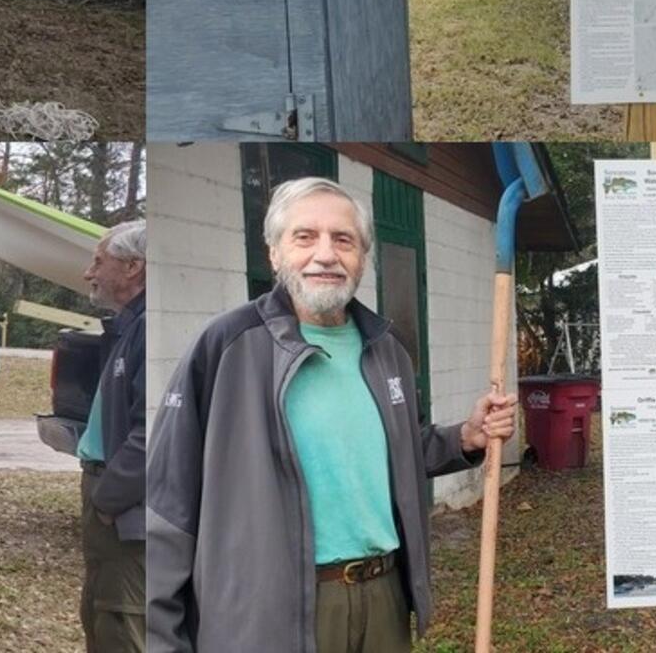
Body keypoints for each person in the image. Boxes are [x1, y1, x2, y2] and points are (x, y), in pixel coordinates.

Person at [146, 176, 519, 653]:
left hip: (382, 597)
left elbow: (396, 451)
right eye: (305, 237)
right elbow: (168, 505)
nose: (326, 254)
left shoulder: (387, 350)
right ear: (274, 253)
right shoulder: (225, 347)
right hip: (268, 613)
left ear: (363, 258)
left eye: (343, 240)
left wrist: (465, 437)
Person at [78, 219, 148, 651]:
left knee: (122, 625)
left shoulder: (147, 327)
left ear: (133, 268)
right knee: (101, 615)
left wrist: (108, 499)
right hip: (109, 496)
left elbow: (154, 429)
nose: (89, 273)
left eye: (99, 262)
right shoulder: (127, 325)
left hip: (125, 510)